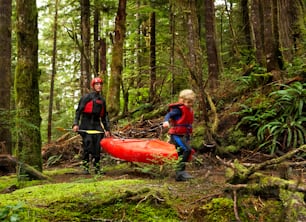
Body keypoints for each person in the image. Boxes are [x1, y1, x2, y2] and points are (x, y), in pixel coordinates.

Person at [73, 77, 111, 174]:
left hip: (96, 125)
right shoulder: (86, 98)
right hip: (85, 124)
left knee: (97, 148)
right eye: (97, 84)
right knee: (88, 145)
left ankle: (97, 168)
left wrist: (107, 129)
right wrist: (75, 124)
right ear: (93, 86)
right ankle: (86, 168)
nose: (99, 86)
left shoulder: (102, 100)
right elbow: (78, 112)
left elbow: (104, 117)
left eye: (100, 84)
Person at [163, 89, 196, 181]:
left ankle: (180, 174)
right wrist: (165, 121)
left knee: (181, 153)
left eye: (191, 102)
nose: (190, 104)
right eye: (188, 102)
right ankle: (180, 172)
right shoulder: (178, 110)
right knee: (187, 150)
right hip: (176, 135)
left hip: (183, 134)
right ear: (183, 100)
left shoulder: (189, 109)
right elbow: (168, 115)